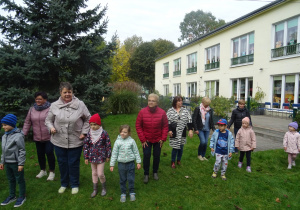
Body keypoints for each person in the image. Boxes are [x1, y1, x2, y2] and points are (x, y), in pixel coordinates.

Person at [45, 82, 91, 194]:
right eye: (65, 92)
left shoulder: (80, 104)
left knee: (73, 162)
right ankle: (64, 183)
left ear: (72, 92)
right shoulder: (54, 105)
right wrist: (51, 127)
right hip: (59, 140)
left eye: (69, 92)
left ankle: (75, 184)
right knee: (62, 162)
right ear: (60, 93)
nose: (67, 94)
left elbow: (88, 119)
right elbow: (48, 120)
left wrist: (84, 132)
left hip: (76, 139)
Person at [23, 91, 56, 181]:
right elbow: (27, 122)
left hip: (49, 136)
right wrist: (23, 134)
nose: (38, 100)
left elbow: (55, 120)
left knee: (49, 153)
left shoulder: (50, 109)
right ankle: (43, 170)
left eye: (40, 99)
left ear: (45, 99)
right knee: (40, 154)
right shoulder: (32, 109)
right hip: (37, 136)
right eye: (37, 99)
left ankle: (52, 171)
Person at [136, 93, 168, 183]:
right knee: (146, 155)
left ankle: (155, 172)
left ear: (157, 102)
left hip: (158, 139)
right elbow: (138, 126)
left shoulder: (162, 113)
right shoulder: (142, 112)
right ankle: (146, 173)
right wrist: (142, 139)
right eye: (149, 100)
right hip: (146, 139)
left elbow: (165, 126)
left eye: (153, 101)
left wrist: (163, 138)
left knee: (157, 156)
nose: (150, 102)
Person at [110, 125, 141, 203]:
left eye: (125, 132)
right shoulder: (117, 142)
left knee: (131, 179)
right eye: (121, 131)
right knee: (122, 179)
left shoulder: (132, 141)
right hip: (121, 165)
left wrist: (138, 162)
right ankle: (123, 193)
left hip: (131, 164)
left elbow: (136, 152)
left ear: (129, 133)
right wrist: (112, 164)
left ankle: (131, 192)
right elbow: (114, 154)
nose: (122, 133)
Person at [0, 114, 26, 207]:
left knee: (19, 179)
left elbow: (22, 150)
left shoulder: (18, 136)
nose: (3, 127)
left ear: (11, 124)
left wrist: (21, 164)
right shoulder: (4, 136)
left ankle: (22, 196)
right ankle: (12, 196)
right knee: (10, 179)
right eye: (2, 125)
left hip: (16, 163)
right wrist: (2, 162)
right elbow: (3, 151)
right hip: (7, 163)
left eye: (5, 125)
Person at [84, 113, 111, 198]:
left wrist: (108, 156)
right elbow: (86, 145)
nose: (92, 127)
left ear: (99, 124)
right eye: (91, 125)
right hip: (92, 157)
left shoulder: (104, 134)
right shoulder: (89, 134)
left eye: (95, 124)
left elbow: (108, 145)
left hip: (101, 157)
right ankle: (95, 189)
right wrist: (86, 157)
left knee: (100, 174)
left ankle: (104, 187)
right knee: (94, 173)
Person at [166, 96, 193, 168]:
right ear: (175, 102)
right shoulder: (170, 111)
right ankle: (173, 161)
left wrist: (190, 130)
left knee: (181, 147)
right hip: (174, 132)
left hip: (182, 131)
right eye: (179, 101)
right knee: (175, 148)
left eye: (181, 100)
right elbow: (167, 122)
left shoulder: (185, 111)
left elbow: (189, 120)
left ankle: (178, 160)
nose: (181, 102)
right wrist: (169, 130)